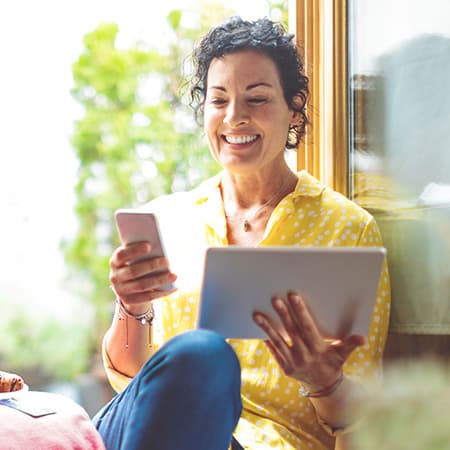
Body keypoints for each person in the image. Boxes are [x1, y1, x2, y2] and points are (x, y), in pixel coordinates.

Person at [92, 16, 391, 450]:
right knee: (199, 357)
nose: (235, 117)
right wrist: (132, 306)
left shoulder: (347, 230)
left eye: (257, 98)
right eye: (219, 100)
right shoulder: (167, 220)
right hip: (151, 432)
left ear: (294, 107)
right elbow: (134, 379)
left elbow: (362, 423)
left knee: (203, 354)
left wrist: (324, 382)